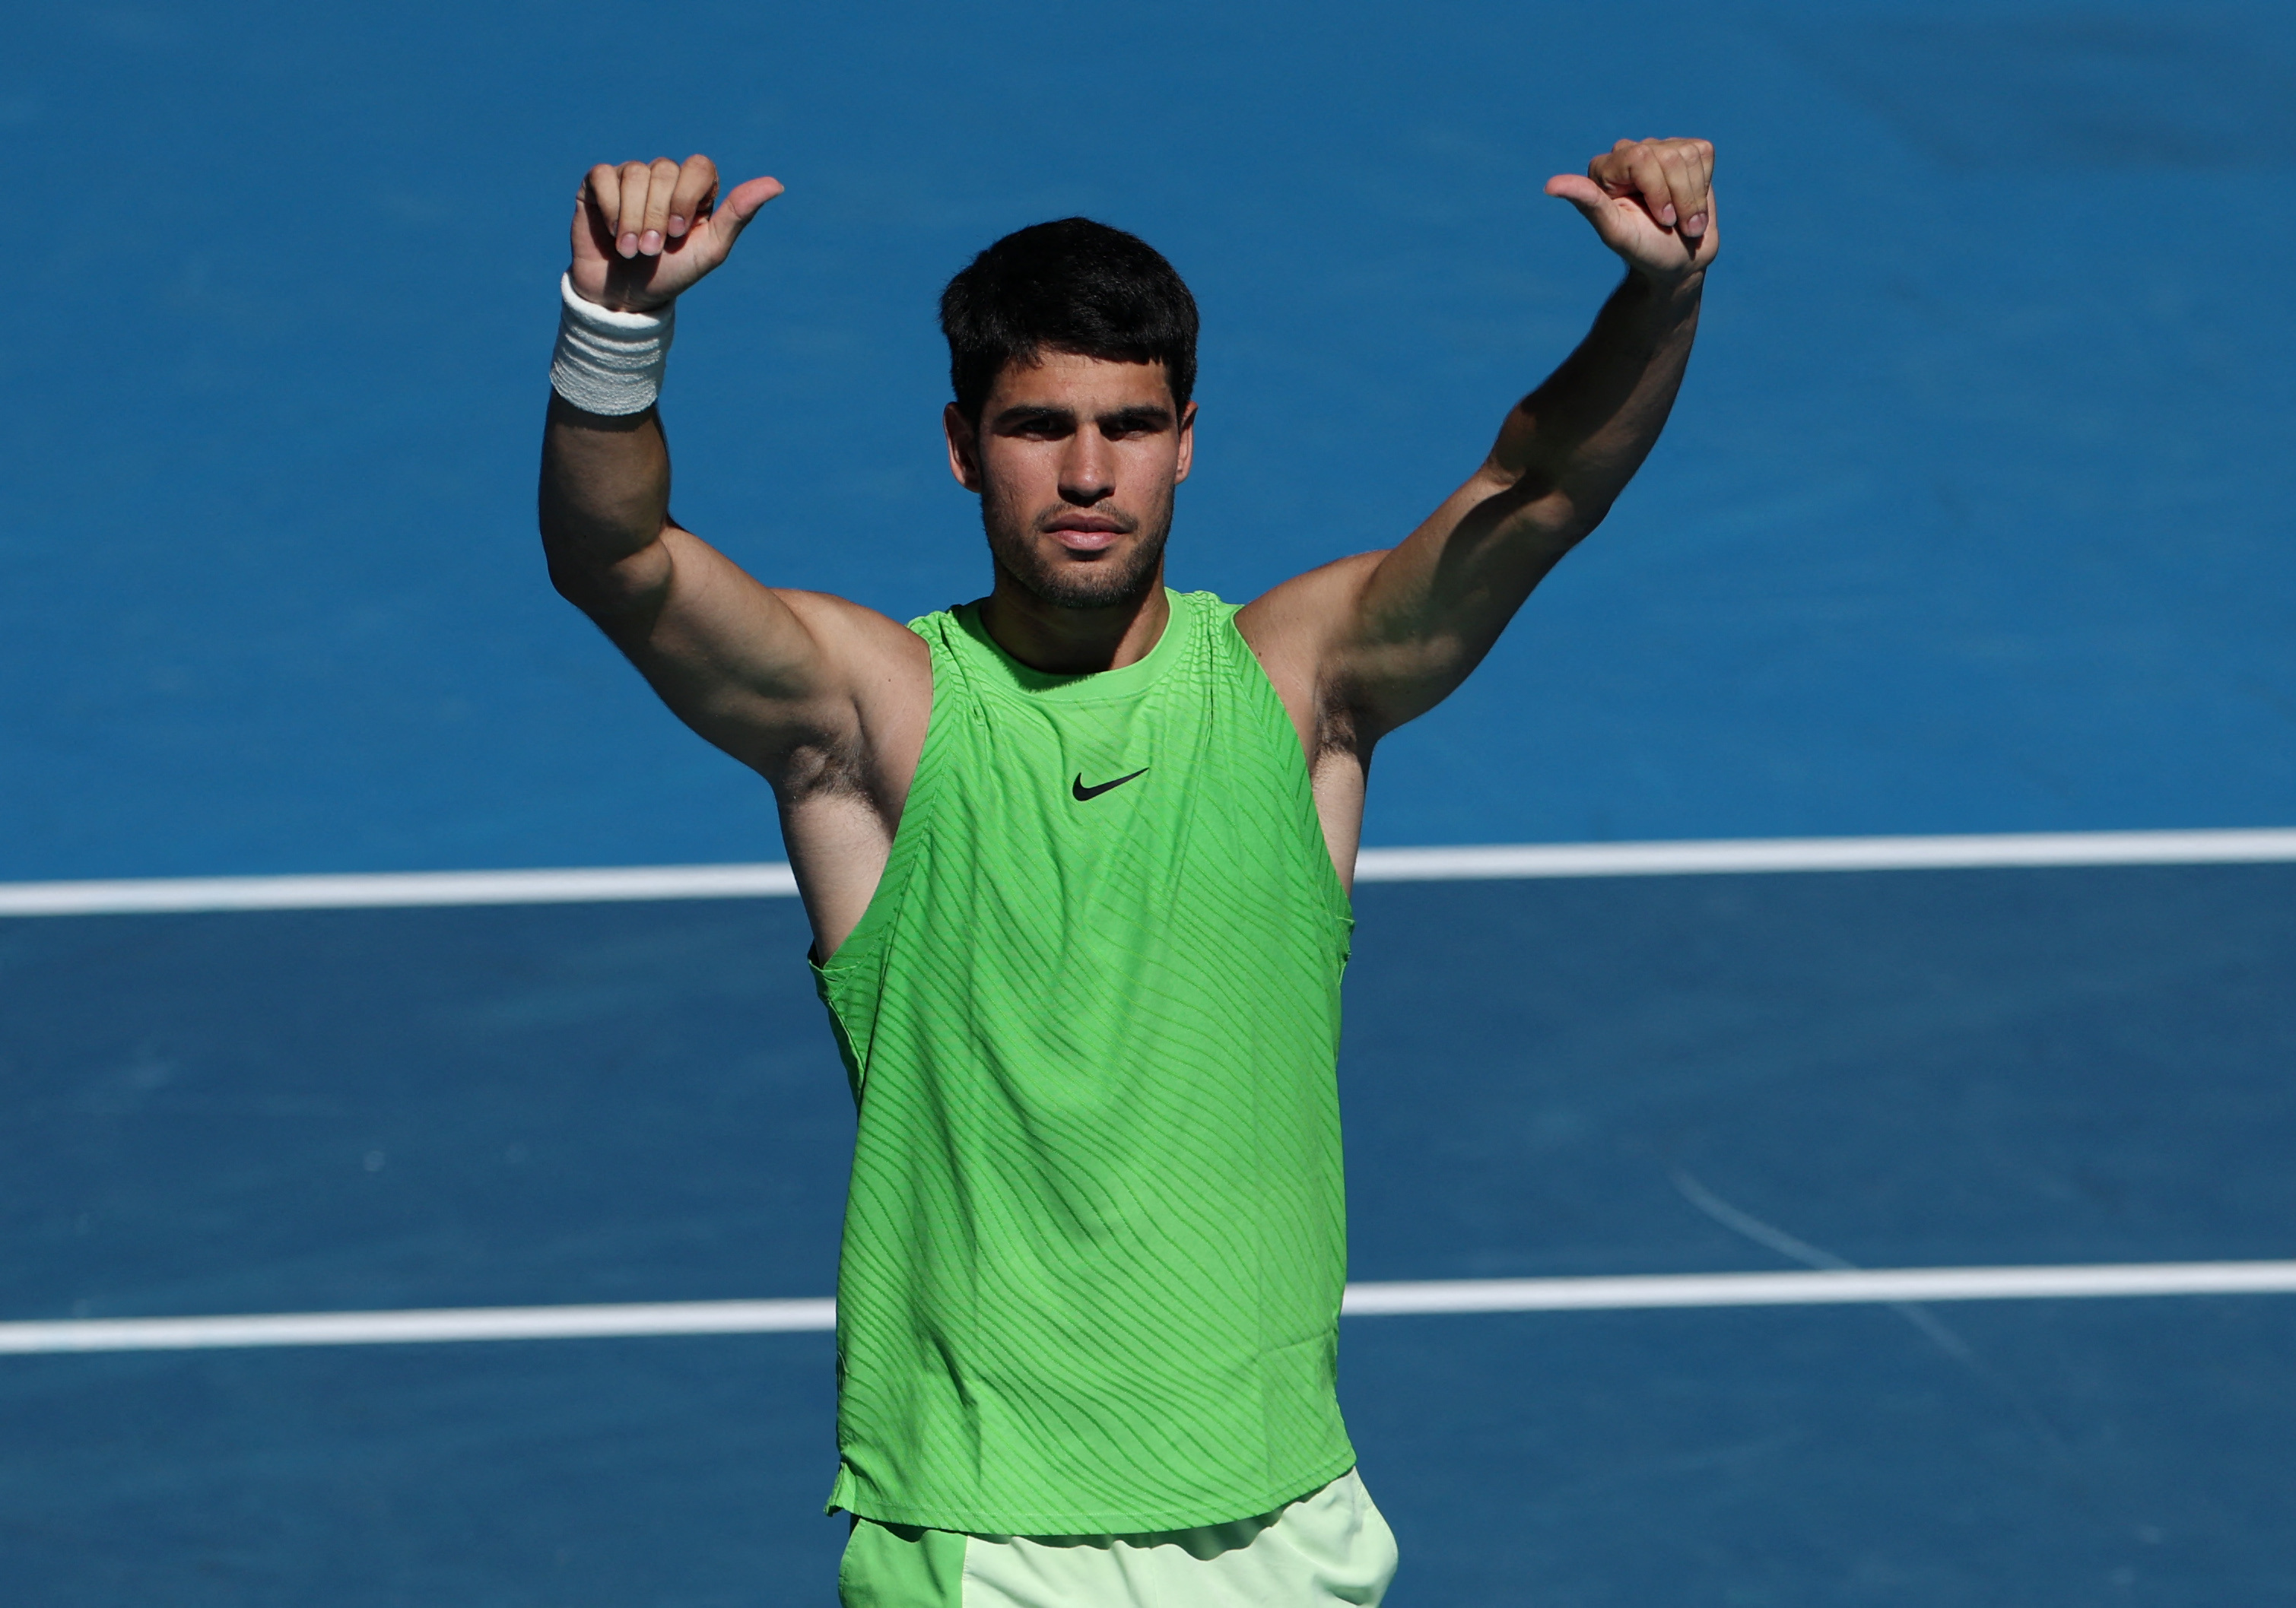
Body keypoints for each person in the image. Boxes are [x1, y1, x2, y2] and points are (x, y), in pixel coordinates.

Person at [538, 135, 1717, 1607]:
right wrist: (615, 330)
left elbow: (1539, 488)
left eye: (1129, 424)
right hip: (990, 1530)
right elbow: (620, 559)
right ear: (963, 444)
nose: (1088, 473)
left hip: (1280, 1515)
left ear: (1185, 438)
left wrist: (1657, 300)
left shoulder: (1298, 691)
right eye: (1037, 425)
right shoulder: (878, 718)